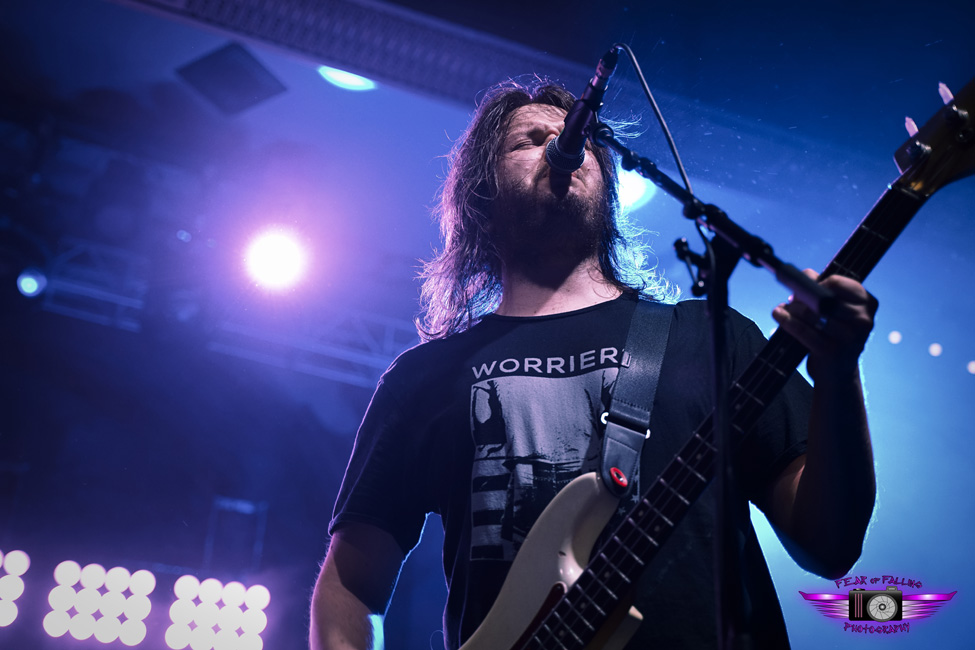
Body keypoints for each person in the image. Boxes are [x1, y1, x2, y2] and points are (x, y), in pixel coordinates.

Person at [309, 79, 877, 649]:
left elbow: (829, 545)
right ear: (481, 192)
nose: (564, 144)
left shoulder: (710, 336)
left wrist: (838, 370)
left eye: (576, 137)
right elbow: (351, 587)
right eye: (529, 140)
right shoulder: (424, 378)